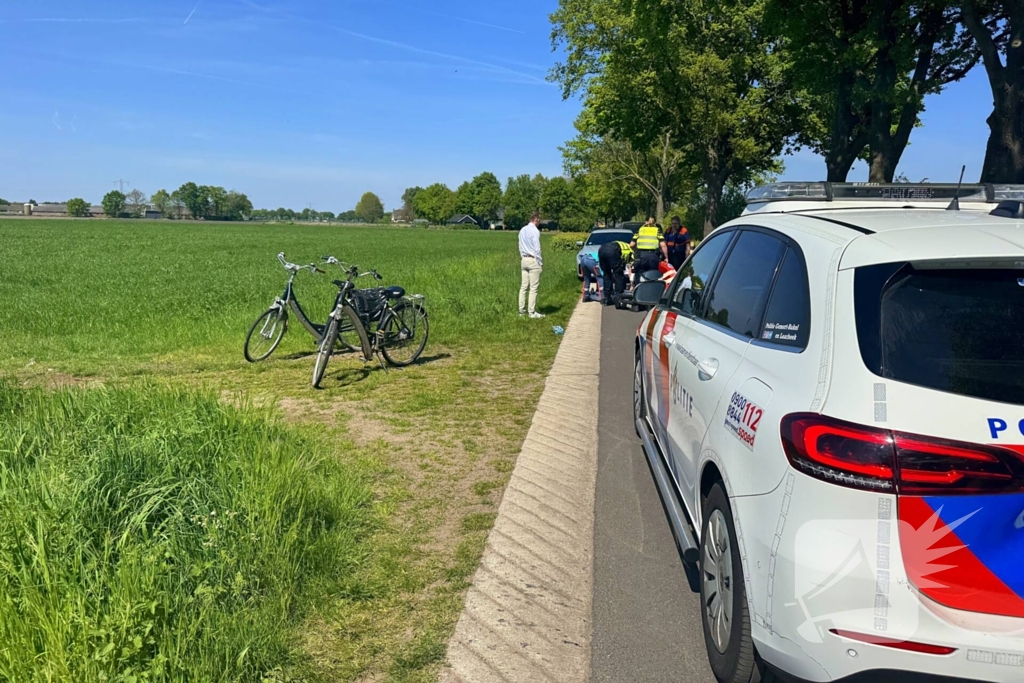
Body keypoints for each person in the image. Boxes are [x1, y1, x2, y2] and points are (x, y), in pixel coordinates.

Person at [518, 212, 545, 318]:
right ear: (536, 219)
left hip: (524, 259)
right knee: (533, 288)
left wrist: (522, 256)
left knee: (524, 286)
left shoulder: (522, 230)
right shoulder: (535, 231)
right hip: (533, 259)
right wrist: (540, 262)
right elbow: (537, 248)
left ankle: (521, 310)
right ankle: (532, 312)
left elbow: (519, 244)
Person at [630, 217, 667, 287]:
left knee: (640, 276)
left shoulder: (640, 230)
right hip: (653, 256)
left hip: (641, 256)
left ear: (645, 222)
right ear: (655, 223)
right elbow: (663, 245)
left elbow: (631, 245)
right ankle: (651, 294)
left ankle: (639, 293)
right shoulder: (657, 230)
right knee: (653, 276)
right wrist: (666, 257)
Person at [597, 239, 633, 306]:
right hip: (612, 252)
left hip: (601, 249)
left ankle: (607, 298)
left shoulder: (625, 245)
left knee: (606, 274)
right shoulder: (632, 251)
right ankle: (619, 298)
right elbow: (631, 267)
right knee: (619, 275)